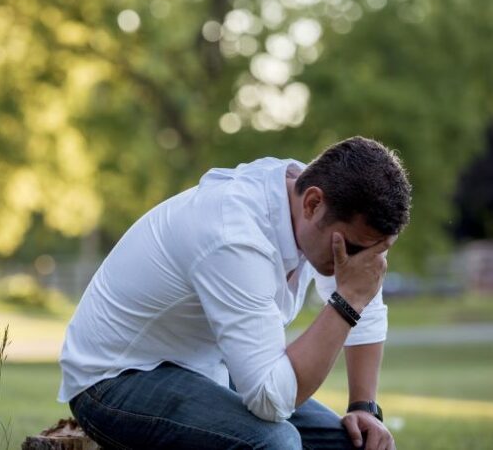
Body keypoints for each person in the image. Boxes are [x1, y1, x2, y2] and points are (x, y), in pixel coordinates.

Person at [58, 136, 411, 450]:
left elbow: (366, 294)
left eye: (374, 253)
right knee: (274, 443)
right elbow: (271, 400)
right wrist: (346, 302)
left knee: (352, 443)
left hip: (205, 366)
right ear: (312, 204)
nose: (360, 264)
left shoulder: (317, 204)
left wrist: (364, 408)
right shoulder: (235, 234)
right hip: (114, 379)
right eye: (355, 248)